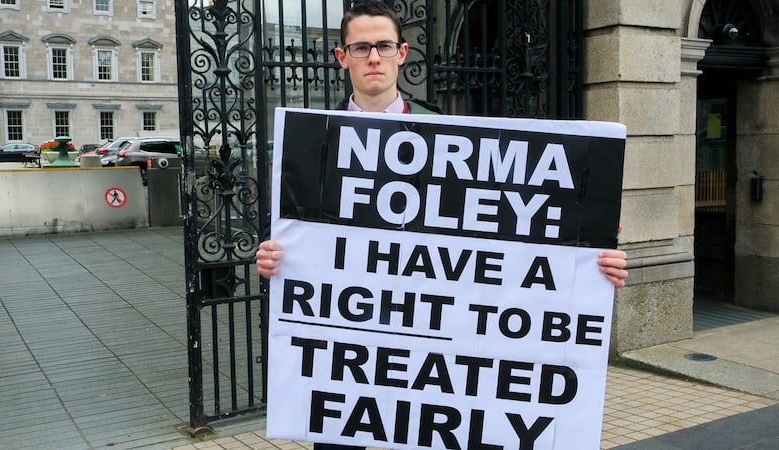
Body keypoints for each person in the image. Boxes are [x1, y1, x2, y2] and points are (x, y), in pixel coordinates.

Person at [258, 1, 629, 449]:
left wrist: (590, 259)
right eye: (360, 47)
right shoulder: (309, 143)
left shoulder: (448, 133)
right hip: (352, 360)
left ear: (402, 52)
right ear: (342, 57)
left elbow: (502, 232)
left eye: (383, 46)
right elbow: (295, 237)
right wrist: (274, 257)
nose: (372, 57)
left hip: (427, 366)